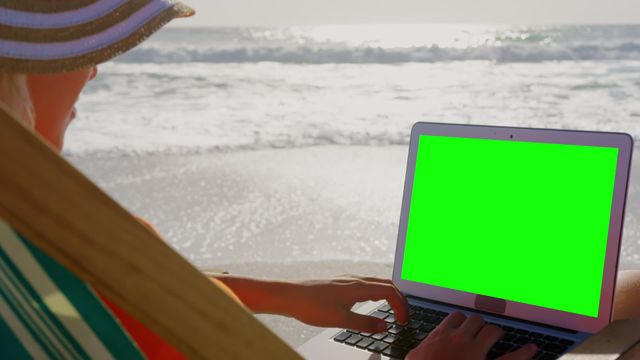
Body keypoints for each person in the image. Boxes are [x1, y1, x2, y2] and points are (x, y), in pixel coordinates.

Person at [1, 1, 638, 359]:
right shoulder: (49, 232)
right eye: (82, 55)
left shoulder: (37, 241)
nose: (94, 76)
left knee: (591, 302)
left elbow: (113, 298)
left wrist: (279, 294)